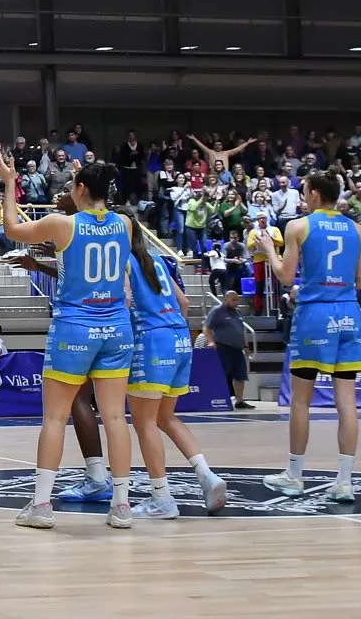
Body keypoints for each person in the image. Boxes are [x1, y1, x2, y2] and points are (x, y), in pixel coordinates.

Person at [0, 153, 137, 529]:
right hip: (116, 328)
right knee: (114, 418)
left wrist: (10, 182)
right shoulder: (125, 223)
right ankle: (122, 506)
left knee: (55, 417)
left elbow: (10, 228)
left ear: (79, 189)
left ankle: (42, 505)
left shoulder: (63, 224)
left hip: (75, 326)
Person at [255, 171, 361, 503]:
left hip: (316, 315)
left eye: (305, 192)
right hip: (349, 314)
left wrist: (268, 250)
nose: (303, 198)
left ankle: (294, 475)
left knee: (301, 400)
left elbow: (286, 276)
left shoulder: (298, 226)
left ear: (315, 194)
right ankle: (345, 482)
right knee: (347, 402)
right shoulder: (357, 229)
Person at [124, 220, 229, 520]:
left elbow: (127, 299)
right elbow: (183, 303)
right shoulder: (155, 259)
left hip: (152, 341)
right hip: (180, 337)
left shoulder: (123, 262)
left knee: (144, 423)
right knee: (165, 418)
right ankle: (207, 475)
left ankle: (162, 498)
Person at [203, 291, 254, 409]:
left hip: (238, 348)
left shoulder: (238, 312)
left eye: (237, 299)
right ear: (226, 299)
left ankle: (239, 401)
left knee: (240, 375)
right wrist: (211, 341)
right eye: (233, 300)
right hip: (223, 347)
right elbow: (206, 327)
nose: (236, 302)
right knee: (222, 374)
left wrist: (246, 346)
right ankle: (218, 398)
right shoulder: (217, 311)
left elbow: (242, 331)